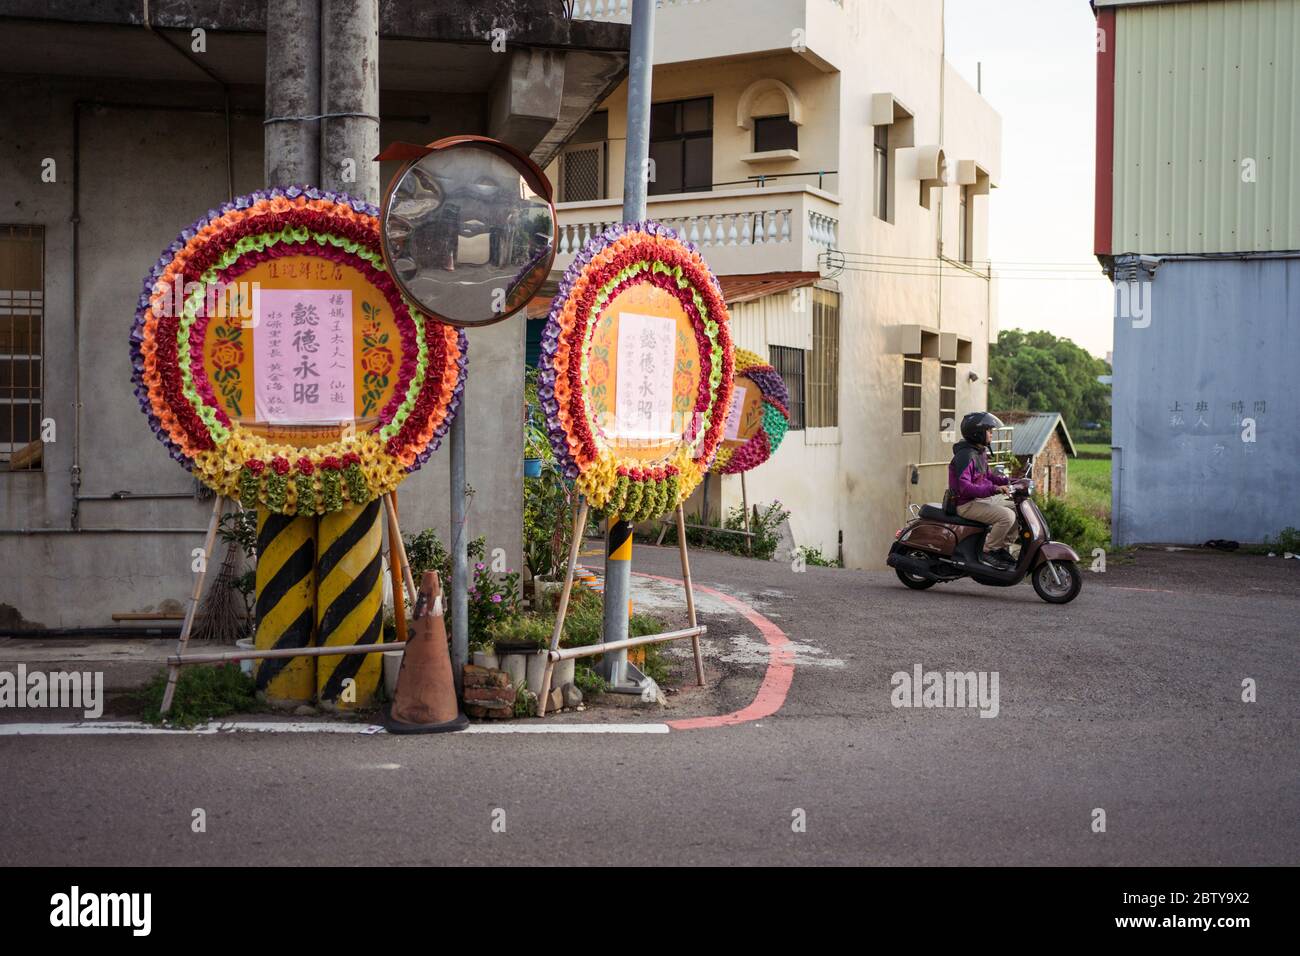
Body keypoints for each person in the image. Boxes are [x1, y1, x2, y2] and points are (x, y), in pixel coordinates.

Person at [949, 412, 1017, 566]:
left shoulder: (979, 452)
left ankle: (1000, 549)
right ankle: (988, 551)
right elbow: (965, 488)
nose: (992, 434)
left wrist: (1011, 481)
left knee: (1018, 509)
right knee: (1006, 516)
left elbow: (988, 476)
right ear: (978, 433)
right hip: (966, 504)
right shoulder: (966, 456)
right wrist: (995, 489)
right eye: (989, 431)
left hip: (980, 499)